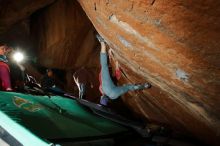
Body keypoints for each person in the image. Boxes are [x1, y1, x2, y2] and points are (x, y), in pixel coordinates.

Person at [97, 35, 151, 105]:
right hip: (107, 88)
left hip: (114, 95)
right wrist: (116, 66)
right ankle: (102, 42)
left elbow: (115, 77)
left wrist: (111, 59)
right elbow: (106, 69)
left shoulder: (111, 96)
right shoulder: (103, 89)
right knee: (104, 66)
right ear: (102, 97)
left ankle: (143, 86)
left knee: (128, 87)